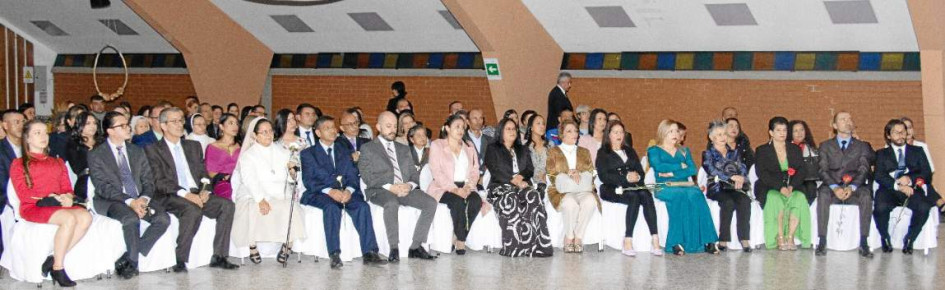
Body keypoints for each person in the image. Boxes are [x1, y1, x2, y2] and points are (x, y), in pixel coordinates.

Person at [144, 107, 240, 272]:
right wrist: (186, 194)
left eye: (181, 120)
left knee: (227, 205)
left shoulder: (193, 146)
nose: (180, 125)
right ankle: (180, 258)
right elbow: (159, 181)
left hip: (196, 192)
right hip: (171, 194)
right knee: (192, 209)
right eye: (174, 121)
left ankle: (219, 256)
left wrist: (205, 190)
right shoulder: (153, 149)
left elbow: (204, 174)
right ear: (163, 126)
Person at [89, 112, 171, 279]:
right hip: (112, 200)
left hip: (139, 197)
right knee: (131, 218)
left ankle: (129, 257)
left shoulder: (136, 151)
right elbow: (103, 187)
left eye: (127, 124)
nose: (128, 128)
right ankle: (133, 264)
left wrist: (143, 199)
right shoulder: (96, 154)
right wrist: (130, 202)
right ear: (110, 130)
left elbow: (149, 180)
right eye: (122, 126)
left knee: (163, 218)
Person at [11, 120, 92, 286]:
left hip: (56, 204)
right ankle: (58, 267)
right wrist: (52, 197)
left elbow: (67, 188)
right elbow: (24, 194)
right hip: (34, 206)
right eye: (37, 133)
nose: (43, 136)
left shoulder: (57, 162)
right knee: (69, 219)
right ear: (27, 138)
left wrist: (68, 197)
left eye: (45, 132)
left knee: (86, 217)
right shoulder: (19, 164)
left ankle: (53, 258)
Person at [300, 116, 387, 269]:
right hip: (320, 193)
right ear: (318, 133)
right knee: (331, 208)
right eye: (328, 128)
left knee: (362, 207)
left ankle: (369, 252)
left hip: (344, 191)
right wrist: (330, 191)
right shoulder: (308, 153)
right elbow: (309, 181)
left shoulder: (344, 150)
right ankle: (334, 254)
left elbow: (353, 176)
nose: (333, 131)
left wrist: (349, 190)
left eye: (333, 127)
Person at [359, 112, 439, 262]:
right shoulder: (368, 148)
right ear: (378, 127)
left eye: (395, 126)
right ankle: (393, 247)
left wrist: (409, 185)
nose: (392, 129)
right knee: (391, 203)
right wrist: (391, 187)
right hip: (380, 190)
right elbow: (367, 177)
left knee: (430, 203)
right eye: (388, 126)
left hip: (404, 189)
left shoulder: (403, 149)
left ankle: (415, 246)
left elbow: (414, 176)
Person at [231, 118, 305, 265]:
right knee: (252, 208)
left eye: (270, 131)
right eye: (263, 132)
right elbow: (249, 180)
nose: (268, 135)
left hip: (278, 190)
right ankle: (252, 246)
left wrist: (292, 173)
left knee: (293, 209)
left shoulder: (283, 152)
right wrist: (260, 199)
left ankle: (287, 245)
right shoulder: (248, 156)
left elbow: (290, 180)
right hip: (253, 191)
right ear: (255, 135)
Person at [648, 119, 718, 255]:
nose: (676, 134)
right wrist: (680, 166)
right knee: (679, 196)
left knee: (697, 194)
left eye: (677, 131)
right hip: (664, 186)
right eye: (671, 131)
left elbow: (692, 169)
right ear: (663, 133)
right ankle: (675, 242)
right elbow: (658, 167)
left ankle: (708, 241)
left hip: (685, 184)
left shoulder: (684, 150)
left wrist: (671, 172)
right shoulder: (654, 150)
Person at [484, 117, 552, 257]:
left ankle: (537, 246)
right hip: (500, 186)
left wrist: (521, 177)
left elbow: (529, 169)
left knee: (533, 196)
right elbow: (495, 170)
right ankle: (513, 247)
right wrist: (512, 180)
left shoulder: (522, 149)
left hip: (521, 184)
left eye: (514, 129)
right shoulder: (493, 148)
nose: (512, 131)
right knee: (511, 198)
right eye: (508, 129)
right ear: (500, 132)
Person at [596, 120, 661, 256]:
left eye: (621, 132)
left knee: (645, 194)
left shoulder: (629, 151)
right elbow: (604, 176)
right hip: (612, 188)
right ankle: (627, 239)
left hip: (632, 185)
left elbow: (641, 172)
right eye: (615, 132)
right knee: (634, 197)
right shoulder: (603, 152)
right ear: (609, 135)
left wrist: (637, 176)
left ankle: (655, 238)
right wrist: (625, 177)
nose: (619, 135)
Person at [814, 111, 874, 258]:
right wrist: (835, 187)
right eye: (842, 119)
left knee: (866, 195)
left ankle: (864, 241)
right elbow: (822, 170)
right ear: (835, 125)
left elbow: (864, 169)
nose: (847, 121)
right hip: (832, 186)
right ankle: (822, 240)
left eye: (849, 119)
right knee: (822, 194)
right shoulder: (825, 145)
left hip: (854, 187)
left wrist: (852, 187)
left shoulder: (862, 146)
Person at [873, 119, 934, 255]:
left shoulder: (918, 151)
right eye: (896, 132)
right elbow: (879, 175)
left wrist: (910, 179)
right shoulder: (881, 153)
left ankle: (910, 239)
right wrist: (898, 185)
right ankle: (885, 237)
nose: (900, 135)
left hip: (912, 190)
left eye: (903, 131)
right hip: (889, 190)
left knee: (924, 207)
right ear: (888, 135)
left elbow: (927, 174)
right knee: (880, 207)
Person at [427, 114, 482, 255]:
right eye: (457, 127)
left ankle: (458, 236)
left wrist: (469, 187)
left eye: (463, 127)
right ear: (447, 128)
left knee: (475, 201)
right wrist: (454, 189)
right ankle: (461, 240)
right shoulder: (437, 145)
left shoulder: (469, 146)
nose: (460, 130)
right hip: (444, 186)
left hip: (465, 185)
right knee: (457, 202)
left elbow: (475, 170)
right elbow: (437, 172)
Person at [755, 117, 811, 251]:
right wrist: (779, 187)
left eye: (785, 130)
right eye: (778, 130)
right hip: (770, 186)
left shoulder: (794, 149)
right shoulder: (762, 150)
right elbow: (762, 173)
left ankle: (790, 236)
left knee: (799, 198)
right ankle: (779, 236)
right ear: (771, 132)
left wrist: (791, 186)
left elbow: (801, 170)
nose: (782, 133)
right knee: (775, 199)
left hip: (792, 185)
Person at [546, 119, 599, 253]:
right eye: (569, 131)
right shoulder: (553, 151)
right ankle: (569, 237)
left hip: (581, 187)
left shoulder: (584, 151)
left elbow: (591, 171)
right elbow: (551, 174)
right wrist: (567, 173)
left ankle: (578, 237)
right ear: (561, 134)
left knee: (591, 201)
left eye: (575, 130)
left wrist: (578, 173)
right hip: (561, 190)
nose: (574, 134)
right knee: (571, 203)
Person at [702, 120, 753, 252]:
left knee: (745, 200)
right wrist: (730, 177)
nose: (723, 137)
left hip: (733, 187)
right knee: (728, 202)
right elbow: (712, 170)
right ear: (711, 138)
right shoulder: (707, 154)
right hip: (717, 187)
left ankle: (744, 239)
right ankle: (723, 239)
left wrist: (742, 177)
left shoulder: (734, 152)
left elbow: (742, 167)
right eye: (719, 135)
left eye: (724, 134)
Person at [64, 112, 102, 200]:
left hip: (104, 178)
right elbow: (77, 168)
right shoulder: (73, 144)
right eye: (88, 123)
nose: (93, 126)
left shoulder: (103, 142)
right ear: (80, 125)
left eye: (94, 123)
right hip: (85, 179)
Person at [206, 114, 241, 200]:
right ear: (221, 126)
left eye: (236, 123)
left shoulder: (241, 146)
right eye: (231, 123)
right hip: (222, 182)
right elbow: (211, 172)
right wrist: (226, 176)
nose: (235, 126)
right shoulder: (213, 147)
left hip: (240, 180)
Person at [788, 120, 820, 205]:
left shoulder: (811, 148)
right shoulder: (785, 148)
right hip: (792, 180)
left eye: (802, 130)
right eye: (796, 131)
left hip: (809, 178)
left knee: (811, 188)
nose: (799, 133)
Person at [465, 109, 493, 188]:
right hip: (469, 181)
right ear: (467, 121)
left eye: (481, 118)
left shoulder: (490, 140)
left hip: (488, 179)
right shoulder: (462, 140)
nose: (478, 121)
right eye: (475, 118)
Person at [525, 114, 550, 187]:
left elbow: (555, 165)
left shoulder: (550, 144)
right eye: (538, 123)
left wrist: (547, 175)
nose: (542, 126)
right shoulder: (525, 148)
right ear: (531, 127)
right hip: (532, 184)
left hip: (549, 180)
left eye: (543, 124)